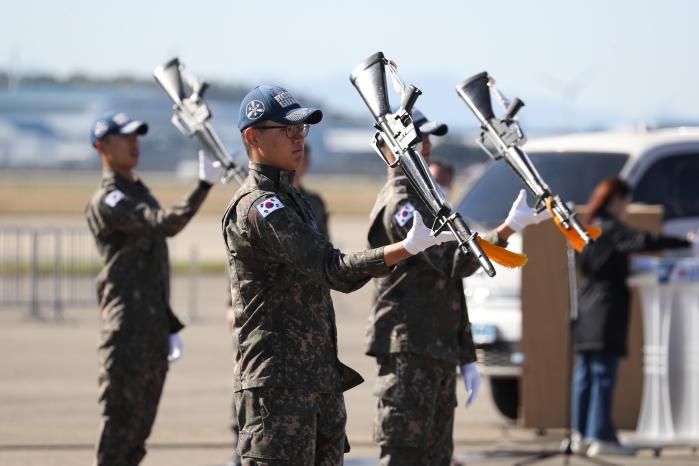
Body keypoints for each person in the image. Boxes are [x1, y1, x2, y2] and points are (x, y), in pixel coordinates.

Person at [223, 85, 456, 466]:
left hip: (316, 384)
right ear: (252, 137)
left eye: (301, 130)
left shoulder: (293, 200)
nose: (298, 139)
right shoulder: (259, 207)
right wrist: (404, 249)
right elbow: (333, 269)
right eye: (286, 130)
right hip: (279, 390)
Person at [366, 108, 550, 466]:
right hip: (411, 350)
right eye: (418, 138)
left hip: (434, 349)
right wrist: (508, 230)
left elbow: (449, 288)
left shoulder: (427, 200)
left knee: (438, 457)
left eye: (427, 138)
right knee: (406, 454)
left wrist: (464, 354)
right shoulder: (403, 205)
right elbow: (454, 261)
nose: (427, 145)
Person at [85, 111, 222, 465]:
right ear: (102, 146)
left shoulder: (136, 190)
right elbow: (162, 224)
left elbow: (150, 272)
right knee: (119, 438)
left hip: (151, 331)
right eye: (124, 138)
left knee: (137, 440)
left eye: (137, 137)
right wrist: (202, 187)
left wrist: (168, 323)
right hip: (127, 331)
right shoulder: (110, 199)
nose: (134, 144)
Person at [571, 177, 691, 457]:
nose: (627, 209)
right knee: (603, 373)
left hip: (585, 302)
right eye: (626, 202)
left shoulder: (587, 227)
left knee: (585, 373)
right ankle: (601, 436)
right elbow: (642, 240)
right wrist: (682, 241)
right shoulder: (611, 228)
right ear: (616, 200)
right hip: (606, 305)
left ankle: (582, 434)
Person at [295, 143, 330, 238]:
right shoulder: (277, 199)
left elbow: (325, 239)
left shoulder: (315, 201)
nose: (306, 162)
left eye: (306, 158)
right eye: (301, 157)